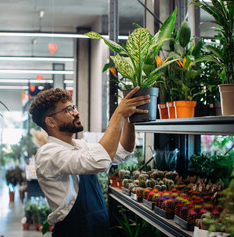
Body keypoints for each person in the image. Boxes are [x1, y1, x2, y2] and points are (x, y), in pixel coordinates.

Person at [29, 87, 150, 237]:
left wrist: (129, 118)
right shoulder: (48, 154)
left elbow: (123, 150)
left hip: (98, 229)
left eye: (73, 107)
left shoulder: (81, 146)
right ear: (51, 121)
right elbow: (100, 161)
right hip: (74, 232)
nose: (76, 112)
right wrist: (118, 114)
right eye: (68, 109)